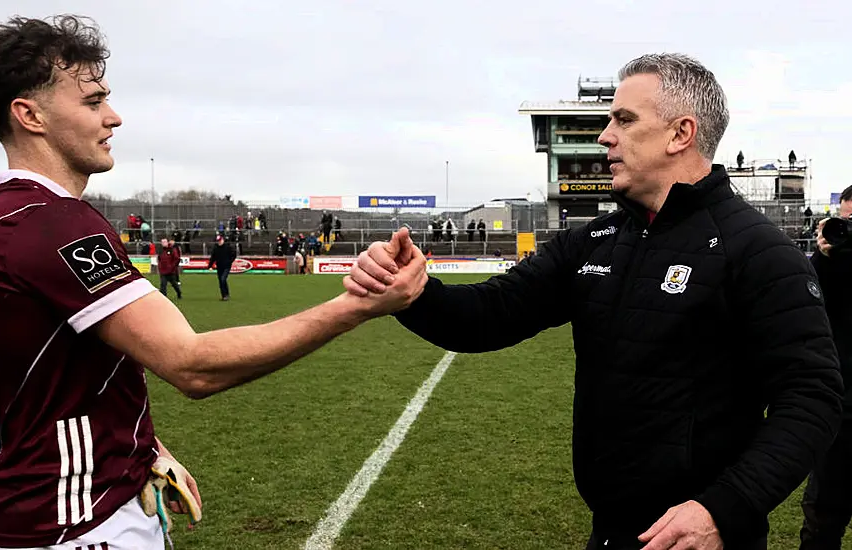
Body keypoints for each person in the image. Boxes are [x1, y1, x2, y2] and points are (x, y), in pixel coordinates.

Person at [0, 15, 426, 550]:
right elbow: (192, 364)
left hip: (73, 504)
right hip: (77, 522)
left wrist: (145, 449)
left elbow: (72, 370)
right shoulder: (49, 223)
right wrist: (357, 306)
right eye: (92, 102)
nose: (114, 117)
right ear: (29, 114)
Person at [344, 53, 843, 550]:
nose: (605, 135)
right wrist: (415, 293)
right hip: (610, 530)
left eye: (624, 120)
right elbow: (489, 316)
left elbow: (812, 396)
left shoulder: (758, 251)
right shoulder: (595, 239)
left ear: (680, 134)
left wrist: (724, 507)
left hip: (701, 538)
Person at [800, 185, 852, 549]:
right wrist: (824, 257)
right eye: (845, 221)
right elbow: (807, 302)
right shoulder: (833, 264)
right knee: (822, 521)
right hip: (841, 416)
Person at [208, 234, 236, 301]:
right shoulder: (215, 248)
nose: (219, 242)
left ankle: (226, 295)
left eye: (220, 240)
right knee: (221, 281)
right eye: (218, 241)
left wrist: (230, 261)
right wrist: (210, 266)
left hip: (226, 266)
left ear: (223, 240)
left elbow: (233, 255)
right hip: (219, 266)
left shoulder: (228, 247)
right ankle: (224, 295)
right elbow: (213, 258)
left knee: (223, 279)